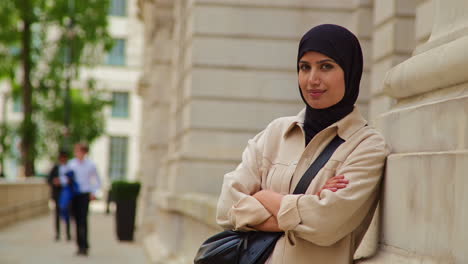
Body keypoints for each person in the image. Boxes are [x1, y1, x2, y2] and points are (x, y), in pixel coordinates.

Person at [216, 24, 389, 263]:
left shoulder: (366, 145)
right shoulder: (276, 132)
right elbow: (226, 206)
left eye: (326, 66)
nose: (312, 79)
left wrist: (265, 197)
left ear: (350, 71)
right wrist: (304, 207)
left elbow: (326, 224)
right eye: (304, 67)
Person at [68, 143, 101, 256]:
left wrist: (94, 192)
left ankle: (85, 246)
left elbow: (97, 180)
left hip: (84, 195)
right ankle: (79, 245)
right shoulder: (71, 164)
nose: (78, 153)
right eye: (76, 151)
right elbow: (66, 178)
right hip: (74, 195)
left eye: (80, 151)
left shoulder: (91, 165)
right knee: (76, 220)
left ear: (84, 152)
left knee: (83, 220)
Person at [47, 150, 71, 241]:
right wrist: (54, 181)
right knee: (57, 214)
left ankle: (68, 234)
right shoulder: (56, 168)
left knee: (67, 213)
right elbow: (49, 179)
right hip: (57, 193)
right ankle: (57, 233)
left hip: (67, 193)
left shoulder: (70, 168)